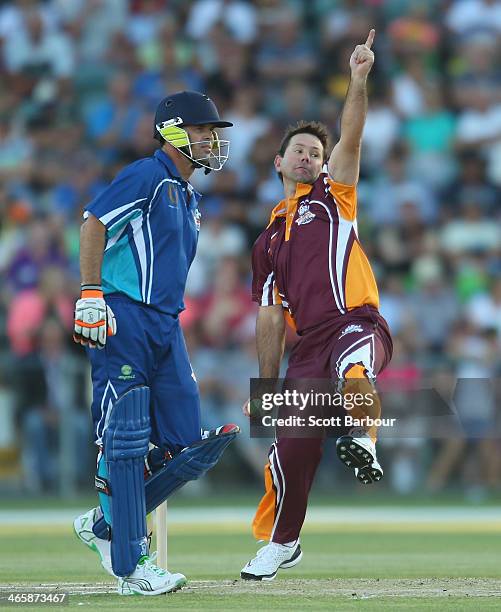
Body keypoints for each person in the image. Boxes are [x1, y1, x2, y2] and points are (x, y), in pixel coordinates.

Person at [240, 30, 393, 581]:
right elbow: (268, 316)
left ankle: (364, 440)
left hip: (355, 322)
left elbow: (351, 136)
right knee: (291, 447)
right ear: (279, 161)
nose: (309, 156)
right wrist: (265, 387)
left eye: (316, 153)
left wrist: (357, 80)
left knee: (356, 369)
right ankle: (282, 542)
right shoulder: (266, 242)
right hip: (307, 349)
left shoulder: (336, 197)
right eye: (300, 150)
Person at [71, 91, 237, 596]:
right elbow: (94, 222)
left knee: (187, 446)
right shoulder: (147, 175)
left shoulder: (187, 194)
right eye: (204, 129)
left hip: (166, 323)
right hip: (124, 314)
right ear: (174, 131)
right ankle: (131, 564)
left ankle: (104, 523)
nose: (213, 139)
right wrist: (91, 292)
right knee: (124, 435)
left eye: (214, 131)